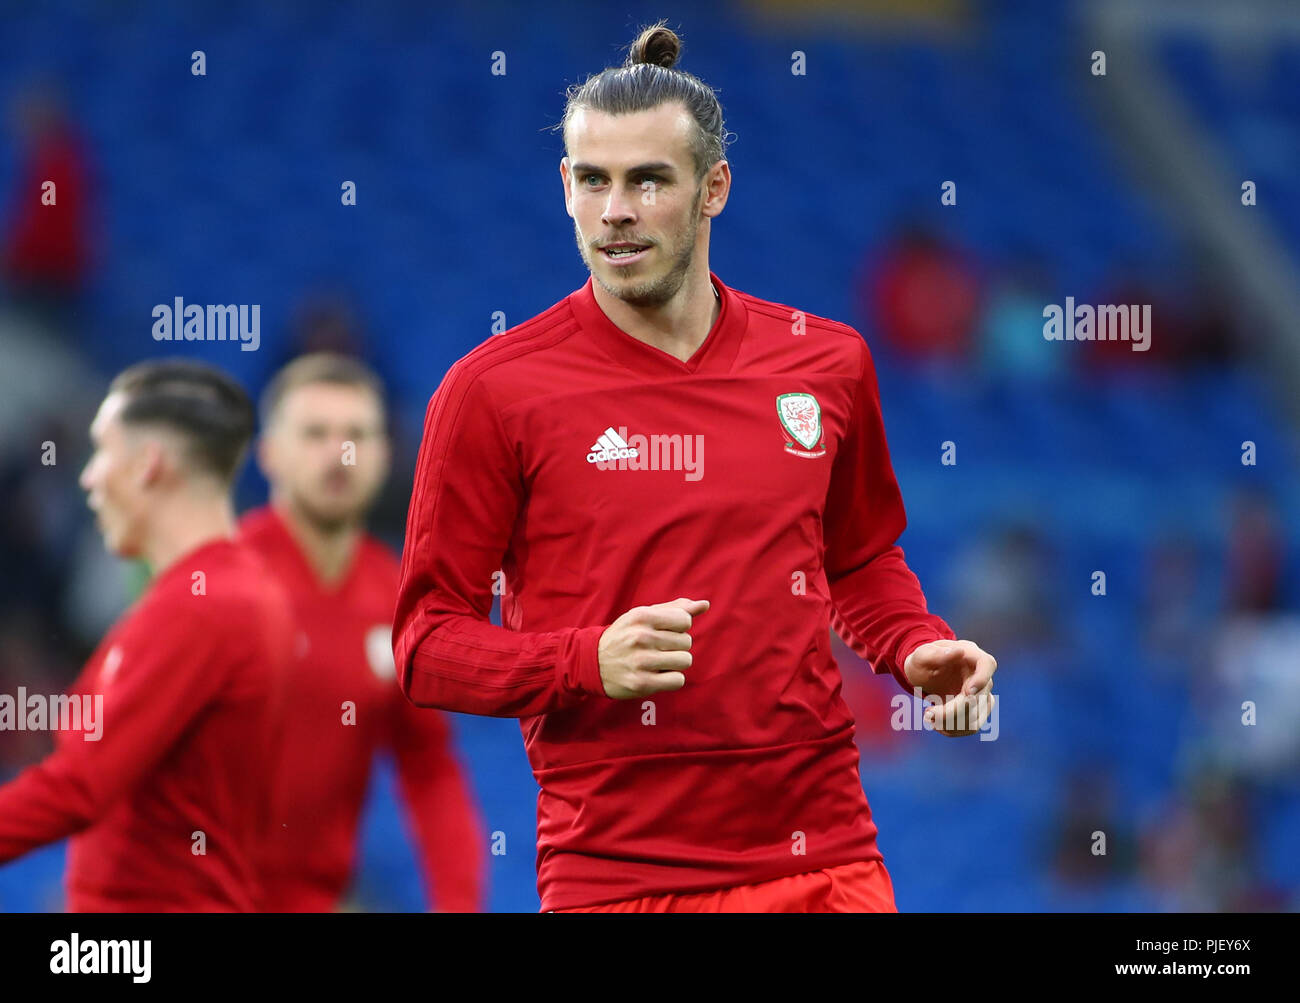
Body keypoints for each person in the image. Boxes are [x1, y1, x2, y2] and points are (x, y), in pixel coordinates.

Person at [393, 22, 998, 914]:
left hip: (824, 857)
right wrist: (582, 658)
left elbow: (859, 561)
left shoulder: (824, 363)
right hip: (622, 876)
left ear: (713, 188)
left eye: (648, 180)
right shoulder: (493, 392)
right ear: (564, 187)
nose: (616, 211)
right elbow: (424, 646)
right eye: (592, 180)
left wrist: (916, 647)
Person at [0, 360, 294, 911]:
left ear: (148, 465)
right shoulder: (227, 594)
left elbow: (77, 789)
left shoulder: (202, 608)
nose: (88, 478)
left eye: (102, 451)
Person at [243, 352, 485, 912]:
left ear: (384, 454)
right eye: (315, 434)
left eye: (356, 434)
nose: (338, 453)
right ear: (269, 454)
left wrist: (458, 904)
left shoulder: (400, 602)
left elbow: (430, 770)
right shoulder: (218, 584)